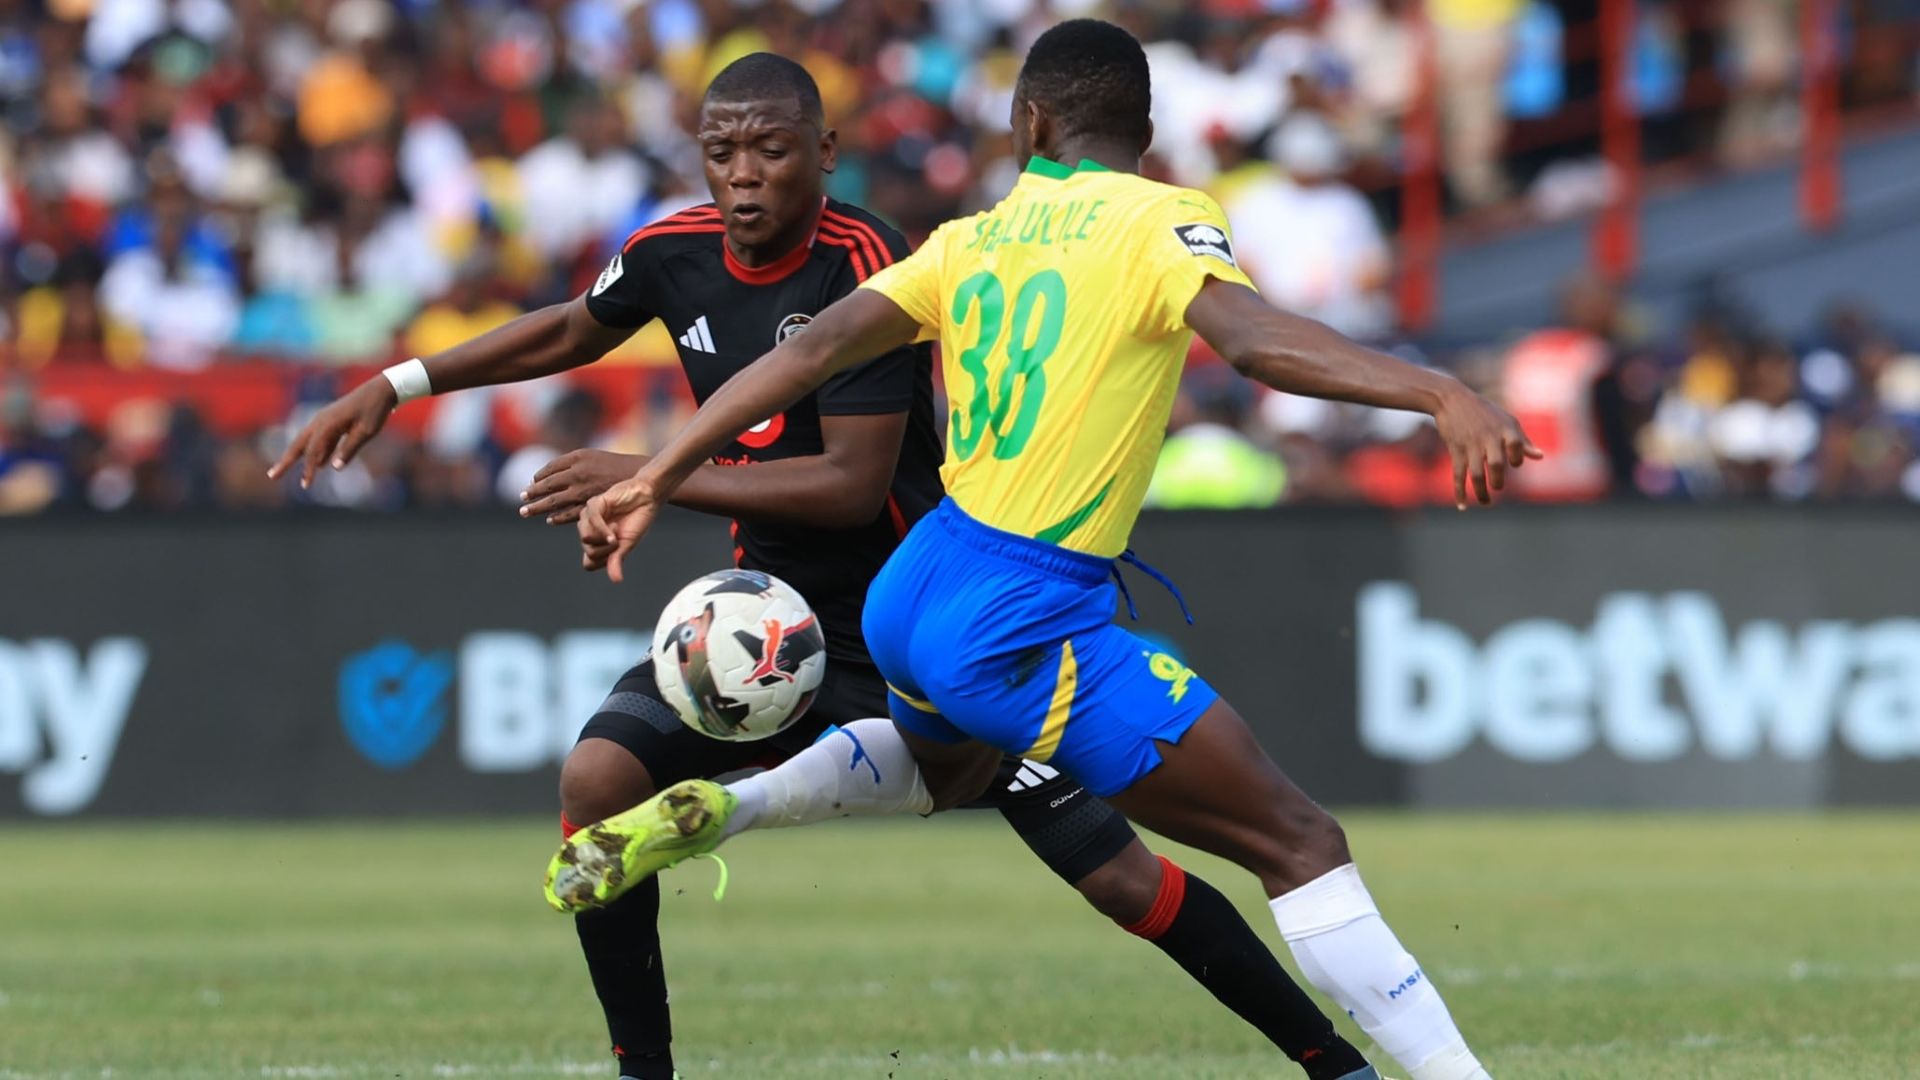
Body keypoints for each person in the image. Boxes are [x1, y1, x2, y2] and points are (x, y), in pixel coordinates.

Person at [272, 53, 1375, 1080]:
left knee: (1121, 877)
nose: (744, 175)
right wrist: (398, 383)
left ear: (825, 150)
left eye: (771, 149)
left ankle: (1334, 1061)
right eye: (722, 152)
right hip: (771, 633)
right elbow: (572, 328)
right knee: (597, 784)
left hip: (929, 637)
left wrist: (653, 473)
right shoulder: (670, 252)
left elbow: (850, 484)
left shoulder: (869, 262)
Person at [555, 22, 1541, 1080]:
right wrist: (1437, 389)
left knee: (945, 773)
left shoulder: (969, 237)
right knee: (1298, 842)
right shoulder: (1161, 218)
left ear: (1028, 124)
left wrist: (656, 472)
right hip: (1020, 607)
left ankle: (731, 805)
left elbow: (811, 353)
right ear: (1145, 132)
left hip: (912, 589)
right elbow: (1255, 342)